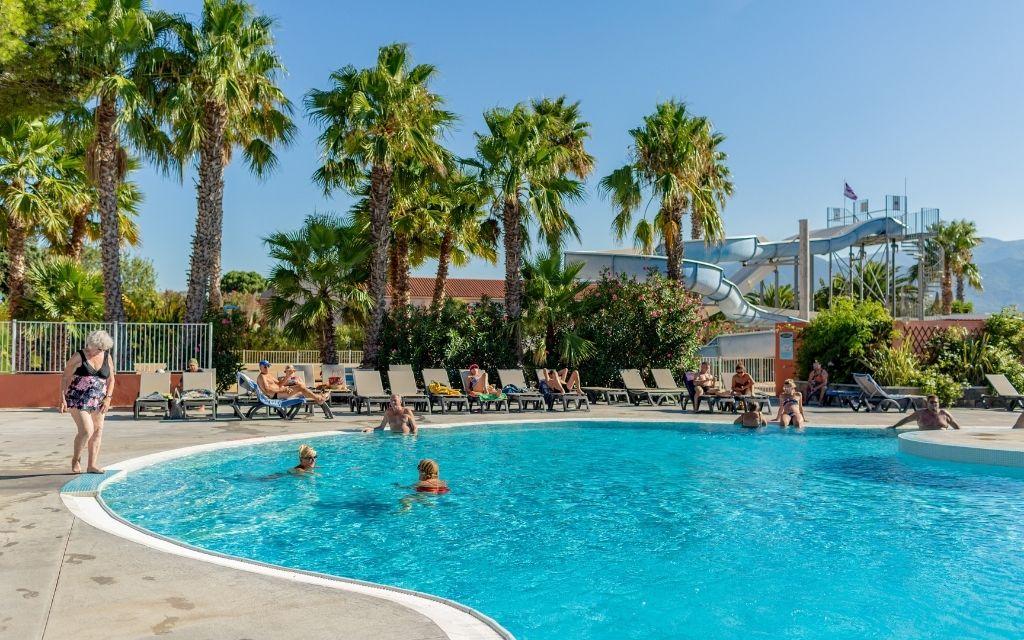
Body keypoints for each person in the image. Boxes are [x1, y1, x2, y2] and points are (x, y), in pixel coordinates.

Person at [59, 330, 116, 474]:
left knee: (97, 431)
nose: (100, 351)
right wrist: (62, 398)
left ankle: (92, 465)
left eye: (103, 349)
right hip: (78, 398)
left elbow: (111, 379)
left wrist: (108, 398)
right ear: (92, 344)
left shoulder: (107, 357)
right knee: (86, 430)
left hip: (99, 400)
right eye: (98, 348)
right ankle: (76, 459)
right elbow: (65, 377)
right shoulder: (79, 355)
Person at [256, 360, 327, 403]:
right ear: (260, 367)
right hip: (274, 395)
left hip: (279, 392)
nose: (267, 368)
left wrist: (287, 376)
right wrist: (283, 389)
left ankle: (320, 397)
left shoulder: (269, 375)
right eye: (265, 366)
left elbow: (279, 384)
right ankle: (319, 399)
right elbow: (268, 390)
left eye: (268, 366)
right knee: (300, 387)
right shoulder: (262, 377)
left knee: (302, 391)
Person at [888, 395, 961, 431]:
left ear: (938, 403)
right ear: (927, 403)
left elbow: (957, 428)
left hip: (941, 441)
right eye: (931, 402)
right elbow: (906, 420)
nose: (934, 404)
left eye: (935, 402)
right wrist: (894, 426)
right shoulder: (920, 413)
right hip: (925, 441)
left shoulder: (944, 414)